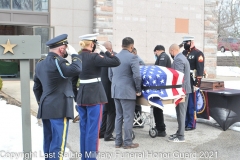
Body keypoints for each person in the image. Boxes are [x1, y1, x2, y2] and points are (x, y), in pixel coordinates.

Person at [33, 34, 82, 159]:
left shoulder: (40, 63)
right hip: (59, 108)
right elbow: (76, 69)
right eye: (66, 48)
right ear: (61, 49)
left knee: (48, 139)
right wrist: (75, 55)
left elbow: (36, 87)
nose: (66, 51)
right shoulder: (59, 62)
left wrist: (41, 102)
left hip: (46, 107)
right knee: (58, 142)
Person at [73, 33, 120, 160]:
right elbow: (116, 61)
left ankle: (84, 157)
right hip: (94, 97)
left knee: (84, 129)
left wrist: (76, 96)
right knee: (93, 131)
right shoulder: (95, 57)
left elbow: (73, 80)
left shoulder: (77, 57)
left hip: (82, 97)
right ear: (93, 44)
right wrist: (105, 51)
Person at [109, 37, 141, 149]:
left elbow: (110, 76)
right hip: (127, 91)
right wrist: (138, 89)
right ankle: (127, 142)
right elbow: (137, 76)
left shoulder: (114, 57)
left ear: (122, 45)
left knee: (119, 116)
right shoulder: (133, 57)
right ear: (131, 46)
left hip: (116, 90)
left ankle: (118, 142)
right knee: (128, 117)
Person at [168, 44, 191, 142]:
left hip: (182, 90)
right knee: (180, 112)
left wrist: (178, 91)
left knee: (181, 113)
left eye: (170, 52)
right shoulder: (183, 57)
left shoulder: (178, 59)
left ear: (173, 50)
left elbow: (178, 77)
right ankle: (179, 132)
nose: (170, 54)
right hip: (184, 89)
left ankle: (181, 136)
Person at [182, 36, 205, 131]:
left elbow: (200, 70)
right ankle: (185, 122)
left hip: (192, 82)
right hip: (184, 81)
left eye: (186, 42)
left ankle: (191, 124)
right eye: (184, 43)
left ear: (191, 42)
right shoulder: (183, 53)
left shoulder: (198, 53)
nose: (184, 44)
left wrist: (197, 84)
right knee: (185, 104)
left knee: (191, 104)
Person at [99, 41, 117, 141]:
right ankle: (108, 134)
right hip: (109, 88)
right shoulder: (109, 58)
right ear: (109, 49)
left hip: (100, 88)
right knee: (112, 111)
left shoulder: (97, 58)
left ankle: (102, 132)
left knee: (104, 111)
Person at [152, 45, 172, 137]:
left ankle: (161, 129)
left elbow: (160, 71)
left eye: (155, 53)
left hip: (160, 87)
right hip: (160, 86)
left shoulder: (163, 56)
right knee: (157, 108)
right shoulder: (163, 56)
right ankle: (160, 127)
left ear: (157, 51)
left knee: (157, 108)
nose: (155, 55)